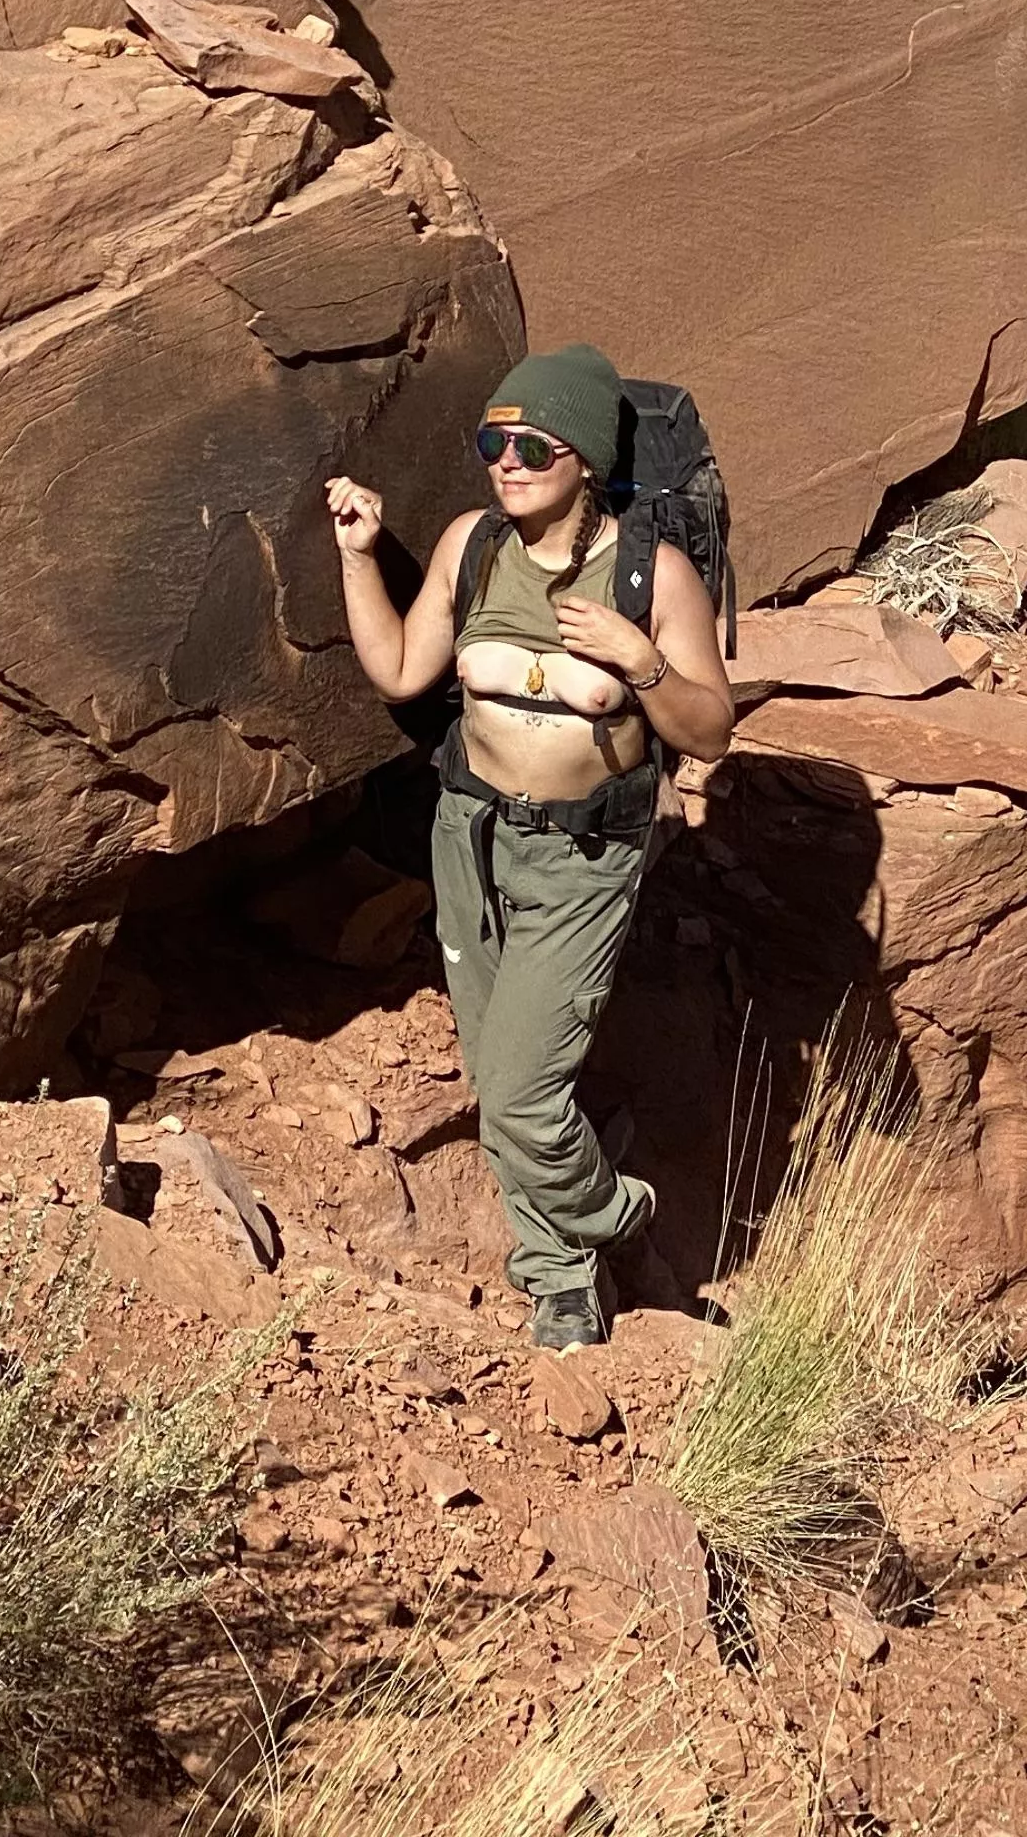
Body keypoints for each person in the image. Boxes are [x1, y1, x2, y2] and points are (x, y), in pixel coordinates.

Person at [326, 343, 733, 1351]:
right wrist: (357, 554)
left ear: (585, 458)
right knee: (499, 1073)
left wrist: (642, 665)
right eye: (492, 442)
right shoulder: (473, 547)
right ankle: (561, 1284)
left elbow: (711, 731)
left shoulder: (654, 573)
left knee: (517, 1093)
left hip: (584, 862)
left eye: (531, 444)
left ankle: (615, 1215)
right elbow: (399, 670)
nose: (506, 461)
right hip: (469, 839)